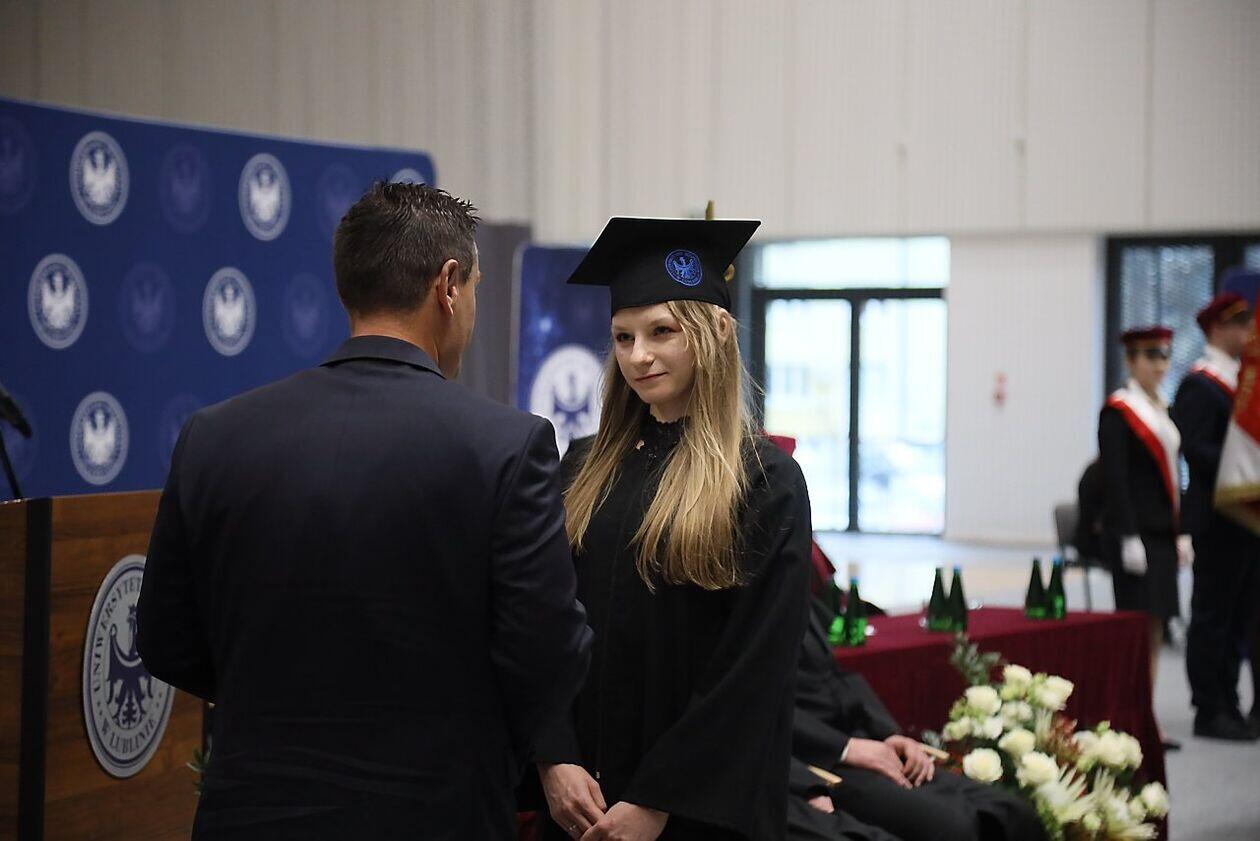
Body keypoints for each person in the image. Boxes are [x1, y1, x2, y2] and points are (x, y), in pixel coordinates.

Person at [136, 182, 593, 840]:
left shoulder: (214, 436)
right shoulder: (507, 446)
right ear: (449, 285)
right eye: (476, 289)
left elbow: (165, 639)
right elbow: (547, 654)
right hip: (436, 814)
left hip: (252, 812)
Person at [530, 217, 813, 840]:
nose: (639, 355)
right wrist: (554, 755)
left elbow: (754, 667)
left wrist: (657, 799)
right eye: (623, 337)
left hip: (694, 811)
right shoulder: (583, 467)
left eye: (662, 331)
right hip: (580, 799)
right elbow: (545, 620)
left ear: (714, 333)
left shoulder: (763, 482)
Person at [790, 599, 1046, 841]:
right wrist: (845, 748)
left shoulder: (798, 595)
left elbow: (837, 676)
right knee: (953, 826)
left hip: (860, 740)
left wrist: (890, 734)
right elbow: (768, 711)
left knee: (1013, 813)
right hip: (815, 757)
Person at [1172, 292, 1260, 741]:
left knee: (1241, 615)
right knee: (1213, 615)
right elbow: (1195, 447)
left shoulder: (1244, 380)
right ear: (1217, 329)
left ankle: (1229, 699)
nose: (1247, 331)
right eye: (1239, 323)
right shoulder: (1200, 384)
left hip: (1245, 516)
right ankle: (1210, 707)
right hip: (1216, 514)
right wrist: (1242, 466)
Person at [1098, 326, 1191, 749]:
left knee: (1155, 629)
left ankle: (1146, 718)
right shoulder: (1119, 411)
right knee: (1135, 630)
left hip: (1162, 533)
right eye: (1150, 356)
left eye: (1165, 356)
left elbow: (1174, 478)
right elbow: (1116, 480)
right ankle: (1130, 719)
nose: (1160, 365)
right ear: (1131, 361)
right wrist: (1128, 536)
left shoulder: (1162, 409)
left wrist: (1181, 531)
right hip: (1136, 536)